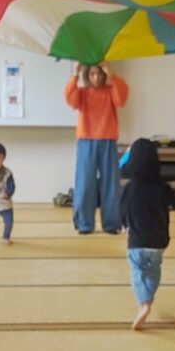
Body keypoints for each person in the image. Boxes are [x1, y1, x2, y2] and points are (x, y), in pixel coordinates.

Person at [120, 138, 175, 330]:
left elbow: (122, 210)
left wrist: (123, 225)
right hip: (158, 242)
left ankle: (144, 303)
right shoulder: (163, 187)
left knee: (137, 271)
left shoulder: (129, 188)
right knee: (153, 270)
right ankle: (149, 297)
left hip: (137, 241)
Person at [65, 62, 129, 235]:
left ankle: (112, 224)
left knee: (111, 184)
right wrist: (75, 75)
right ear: (87, 75)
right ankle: (84, 224)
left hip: (108, 139)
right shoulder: (83, 93)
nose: (96, 77)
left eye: (100, 73)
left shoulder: (110, 90)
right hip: (86, 140)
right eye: (92, 74)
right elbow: (70, 99)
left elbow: (121, 98)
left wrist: (111, 74)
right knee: (85, 183)